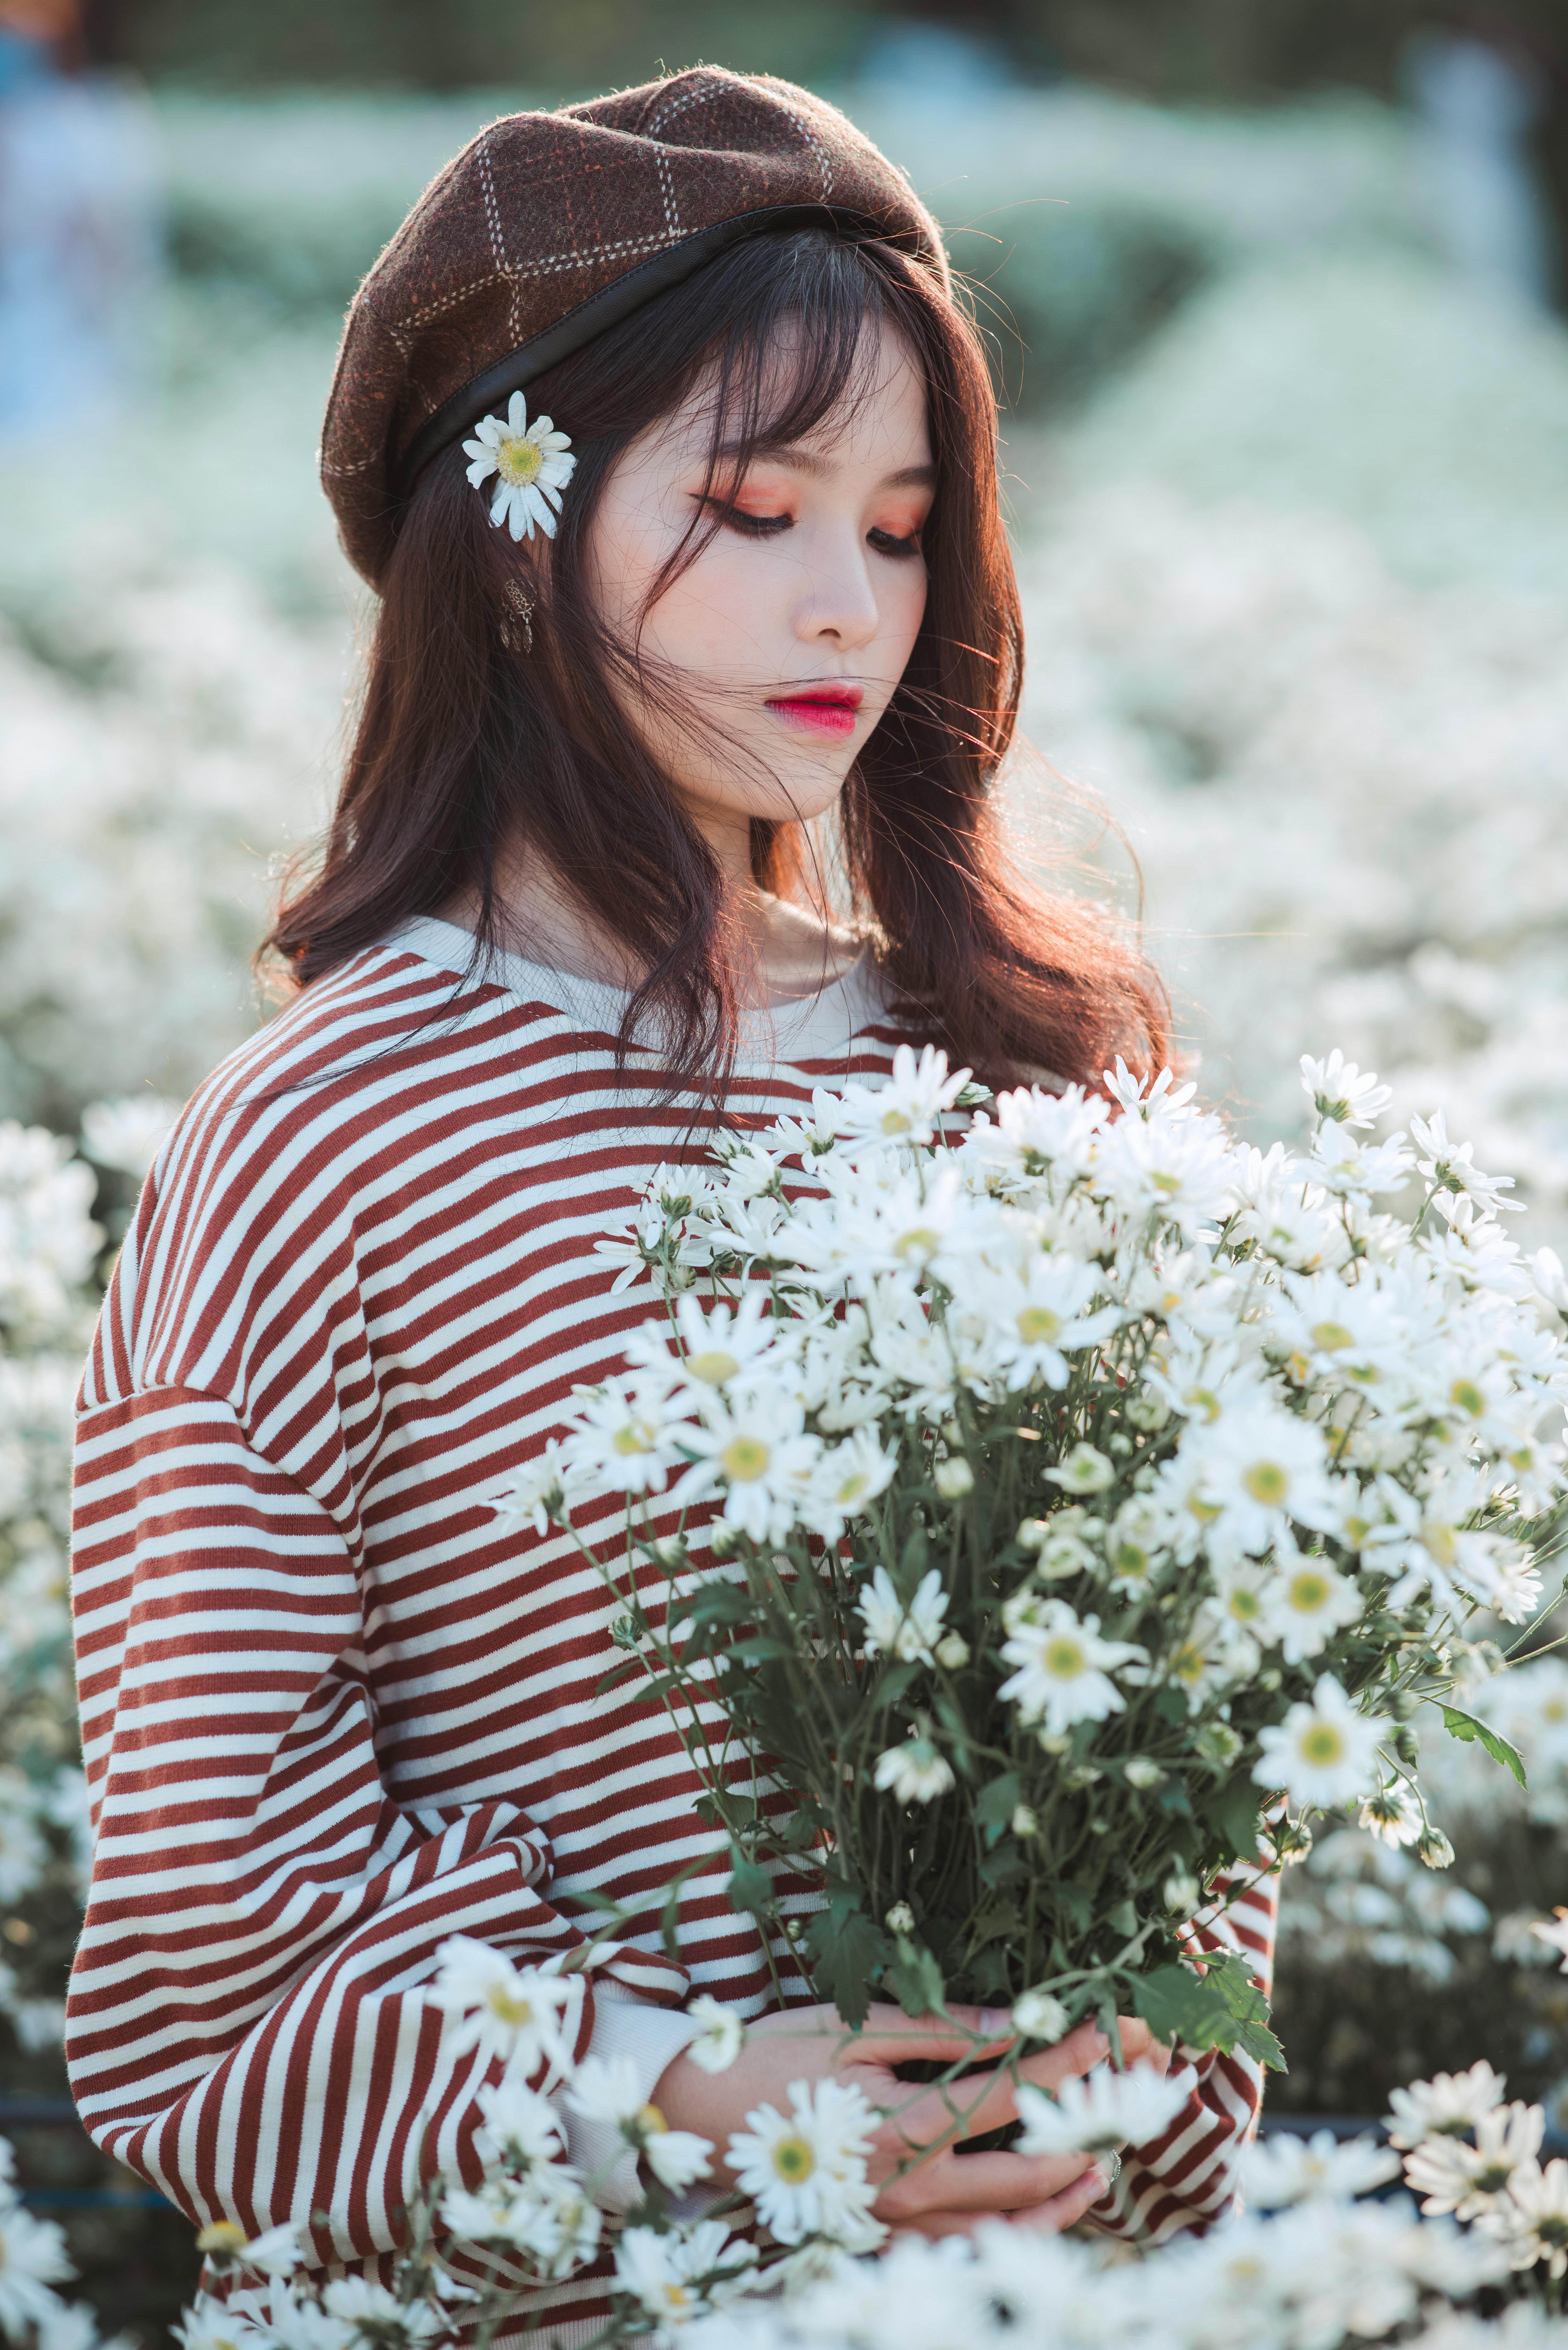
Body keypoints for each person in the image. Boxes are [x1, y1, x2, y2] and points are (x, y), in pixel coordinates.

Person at [65, 68, 1276, 2339]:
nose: (848, 608)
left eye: (901, 529)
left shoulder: (1028, 1073)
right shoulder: (323, 1134)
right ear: (518, 531)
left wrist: (1103, 2085)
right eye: (751, 506)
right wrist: (694, 2100)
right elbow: (196, 1976)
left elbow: (1205, 1787)